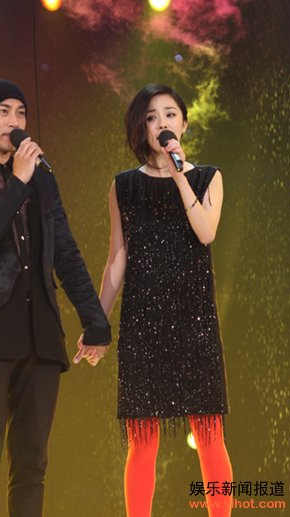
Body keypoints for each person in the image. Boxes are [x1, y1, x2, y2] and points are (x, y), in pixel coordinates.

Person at [0, 78, 110, 517]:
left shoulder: (42, 180)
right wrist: (17, 181)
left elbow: (65, 252)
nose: (15, 120)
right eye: (3, 111)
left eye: (21, 112)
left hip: (40, 334)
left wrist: (96, 322)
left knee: (32, 463)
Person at [75, 84, 233, 516]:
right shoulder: (124, 186)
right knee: (142, 444)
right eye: (151, 117)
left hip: (195, 321)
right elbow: (116, 260)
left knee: (210, 436)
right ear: (140, 128)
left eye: (169, 114)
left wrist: (179, 174)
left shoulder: (208, 177)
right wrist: (97, 324)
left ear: (184, 123)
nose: (162, 123)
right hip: (143, 324)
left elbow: (206, 232)